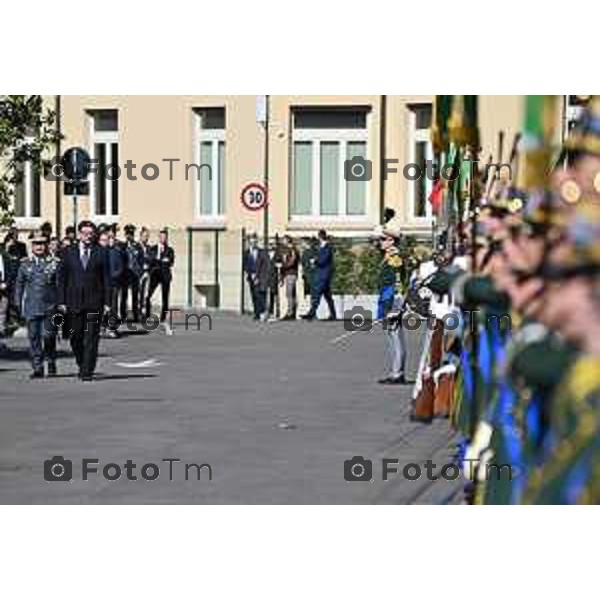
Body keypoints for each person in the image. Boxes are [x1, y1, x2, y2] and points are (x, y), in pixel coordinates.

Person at [57, 220, 110, 381]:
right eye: (85, 233)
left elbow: (106, 279)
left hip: (95, 301)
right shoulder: (68, 252)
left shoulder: (101, 252)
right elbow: (62, 278)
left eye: (90, 234)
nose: (87, 236)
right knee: (75, 336)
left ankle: (87, 371)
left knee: (92, 337)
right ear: (79, 234)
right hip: (74, 301)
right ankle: (82, 362)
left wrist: (108, 302)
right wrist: (62, 301)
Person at [14, 231, 60, 378]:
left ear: (47, 245)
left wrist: (61, 304)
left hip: (50, 306)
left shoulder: (54, 263)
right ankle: (37, 367)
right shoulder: (25, 263)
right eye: (36, 244)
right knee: (33, 338)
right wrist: (17, 303)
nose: (39, 246)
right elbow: (19, 285)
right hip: (31, 306)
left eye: (42, 243)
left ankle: (51, 359)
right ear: (32, 246)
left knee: (48, 336)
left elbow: (60, 285)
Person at [376, 229, 406, 385]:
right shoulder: (388, 257)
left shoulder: (395, 258)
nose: (380, 242)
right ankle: (394, 371)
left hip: (393, 300)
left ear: (392, 241)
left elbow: (398, 283)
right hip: (386, 299)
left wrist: (395, 306)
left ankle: (398, 373)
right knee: (391, 336)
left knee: (396, 337)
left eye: (383, 239)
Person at [301, 229, 336, 321]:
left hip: (324, 274)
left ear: (320, 237)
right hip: (320, 274)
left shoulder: (328, 247)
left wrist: (315, 261)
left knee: (317, 294)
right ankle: (333, 314)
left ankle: (311, 313)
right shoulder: (320, 247)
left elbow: (323, 260)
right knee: (328, 296)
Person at [98, 229, 123, 339]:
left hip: (113, 284)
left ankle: (112, 328)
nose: (105, 242)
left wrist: (113, 276)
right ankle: (101, 327)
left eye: (106, 240)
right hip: (99, 285)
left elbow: (120, 268)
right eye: (102, 240)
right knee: (100, 308)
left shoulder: (115, 252)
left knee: (113, 308)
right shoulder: (97, 252)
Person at [148, 228, 175, 323]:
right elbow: (151, 260)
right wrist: (161, 261)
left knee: (165, 297)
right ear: (159, 238)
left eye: (165, 237)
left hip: (165, 275)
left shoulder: (170, 250)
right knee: (148, 294)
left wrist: (162, 261)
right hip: (155, 275)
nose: (163, 239)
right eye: (162, 237)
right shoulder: (153, 249)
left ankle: (163, 317)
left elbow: (171, 262)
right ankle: (147, 314)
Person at [121, 224, 144, 322]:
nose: (129, 236)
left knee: (135, 295)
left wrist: (140, 271)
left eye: (131, 234)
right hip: (125, 274)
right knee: (124, 295)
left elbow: (141, 259)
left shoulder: (137, 246)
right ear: (125, 235)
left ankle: (135, 315)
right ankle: (123, 315)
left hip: (135, 274)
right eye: (128, 234)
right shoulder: (122, 246)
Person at [243, 235, 269, 321]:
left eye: (254, 242)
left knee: (260, 295)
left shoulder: (262, 252)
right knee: (254, 296)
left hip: (260, 277)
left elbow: (265, 265)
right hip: (251, 277)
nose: (252, 244)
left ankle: (262, 312)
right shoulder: (246, 253)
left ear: (256, 242)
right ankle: (256, 313)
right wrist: (249, 274)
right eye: (251, 242)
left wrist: (258, 276)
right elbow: (245, 265)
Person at [280, 235, 299, 320]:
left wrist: (283, 266)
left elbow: (292, 261)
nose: (283, 241)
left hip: (291, 274)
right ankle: (292, 312)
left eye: (284, 240)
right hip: (289, 273)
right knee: (292, 294)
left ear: (287, 241)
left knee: (289, 294)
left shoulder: (292, 250)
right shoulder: (290, 250)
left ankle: (290, 313)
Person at [138, 226, 152, 319]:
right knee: (139, 293)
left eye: (147, 236)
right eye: (144, 236)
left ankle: (144, 312)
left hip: (147, 273)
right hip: (139, 273)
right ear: (140, 236)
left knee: (146, 294)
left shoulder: (149, 247)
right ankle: (138, 312)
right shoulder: (136, 247)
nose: (146, 238)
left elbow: (151, 259)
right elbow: (135, 260)